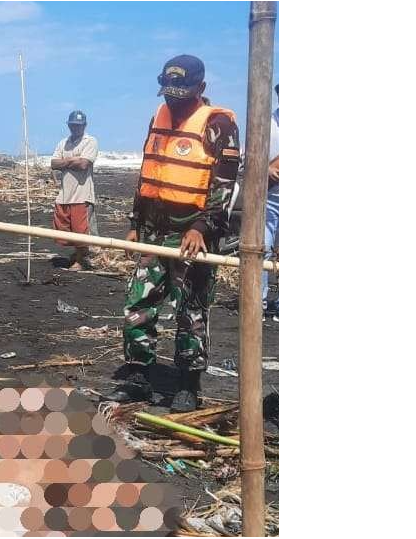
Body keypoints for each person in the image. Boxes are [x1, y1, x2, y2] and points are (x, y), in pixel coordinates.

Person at [103, 54, 241, 412]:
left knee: (191, 310)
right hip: (154, 229)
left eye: (182, 93)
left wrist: (201, 227)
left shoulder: (219, 124)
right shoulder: (158, 118)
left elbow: (224, 186)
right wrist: (135, 223)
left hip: (193, 233)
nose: (173, 100)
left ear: (202, 88)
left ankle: (188, 384)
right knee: (139, 304)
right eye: (168, 92)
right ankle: (137, 378)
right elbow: (150, 169)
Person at [50, 110, 99, 271]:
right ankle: (79, 254)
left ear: (84, 126)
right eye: (72, 125)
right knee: (64, 229)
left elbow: (84, 164)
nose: (75, 128)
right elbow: (54, 164)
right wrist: (73, 160)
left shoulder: (90, 141)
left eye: (78, 126)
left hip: (82, 193)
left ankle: (82, 259)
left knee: (81, 229)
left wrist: (66, 161)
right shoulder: (63, 142)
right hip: (65, 193)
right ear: (69, 125)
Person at [262, 83, 279, 321]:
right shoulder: (268, 125)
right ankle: (259, 301)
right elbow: (251, 157)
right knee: (261, 249)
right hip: (270, 195)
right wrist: (265, 168)